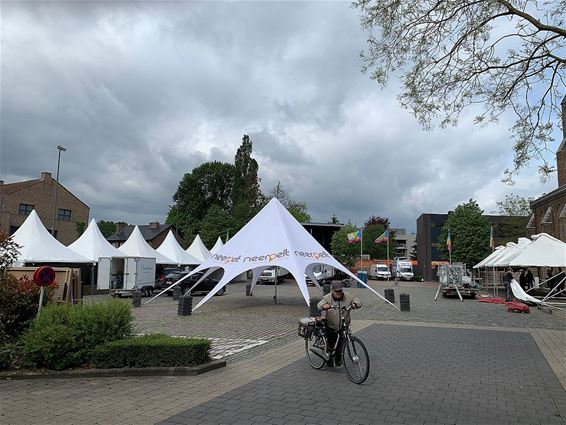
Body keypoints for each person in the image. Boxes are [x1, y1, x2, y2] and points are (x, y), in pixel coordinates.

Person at [317, 281, 361, 367]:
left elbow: (358, 301)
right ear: (332, 291)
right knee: (332, 342)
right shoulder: (327, 298)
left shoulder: (348, 296)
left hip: (344, 324)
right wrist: (324, 306)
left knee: (342, 341)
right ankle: (328, 358)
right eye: (337, 291)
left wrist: (355, 304)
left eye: (340, 290)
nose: (339, 293)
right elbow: (319, 304)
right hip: (331, 324)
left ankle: (338, 358)